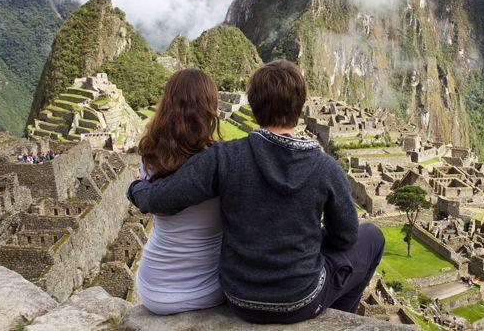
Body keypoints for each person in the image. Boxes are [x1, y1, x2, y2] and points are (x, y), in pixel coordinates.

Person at [128, 60, 385, 324]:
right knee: (372, 236)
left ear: (252, 105)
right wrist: (303, 238)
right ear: (301, 104)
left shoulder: (224, 157)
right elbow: (345, 236)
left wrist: (136, 188)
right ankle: (342, 319)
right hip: (300, 299)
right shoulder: (325, 167)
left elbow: (163, 198)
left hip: (239, 298)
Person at [133, 68, 225, 315]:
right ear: (209, 107)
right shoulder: (218, 161)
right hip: (204, 288)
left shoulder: (148, 156)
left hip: (151, 286)